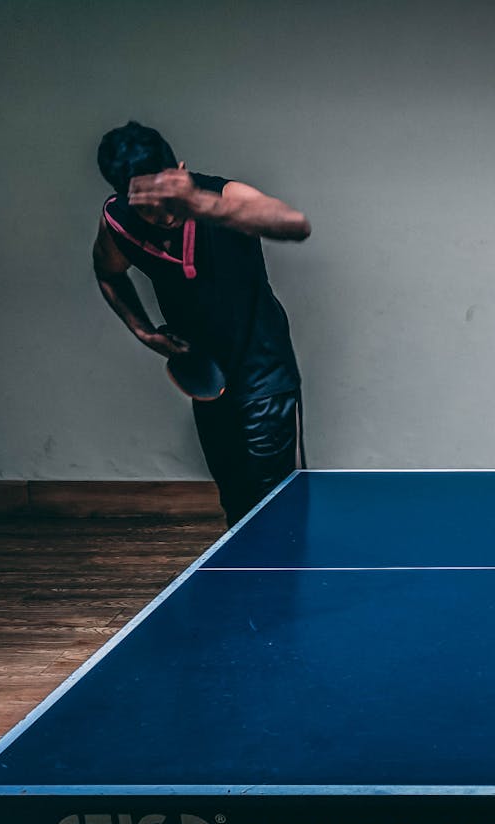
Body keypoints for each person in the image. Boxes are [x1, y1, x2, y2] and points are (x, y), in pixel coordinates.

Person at [92, 121, 312, 526]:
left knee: (279, 505)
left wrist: (197, 203)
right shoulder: (119, 223)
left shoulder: (223, 196)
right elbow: (108, 272)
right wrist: (143, 331)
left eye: (167, 199)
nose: (162, 215)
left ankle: (290, 568)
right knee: (237, 502)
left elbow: (295, 223)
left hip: (264, 372)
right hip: (209, 379)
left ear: (179, 171)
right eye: (146, 206)